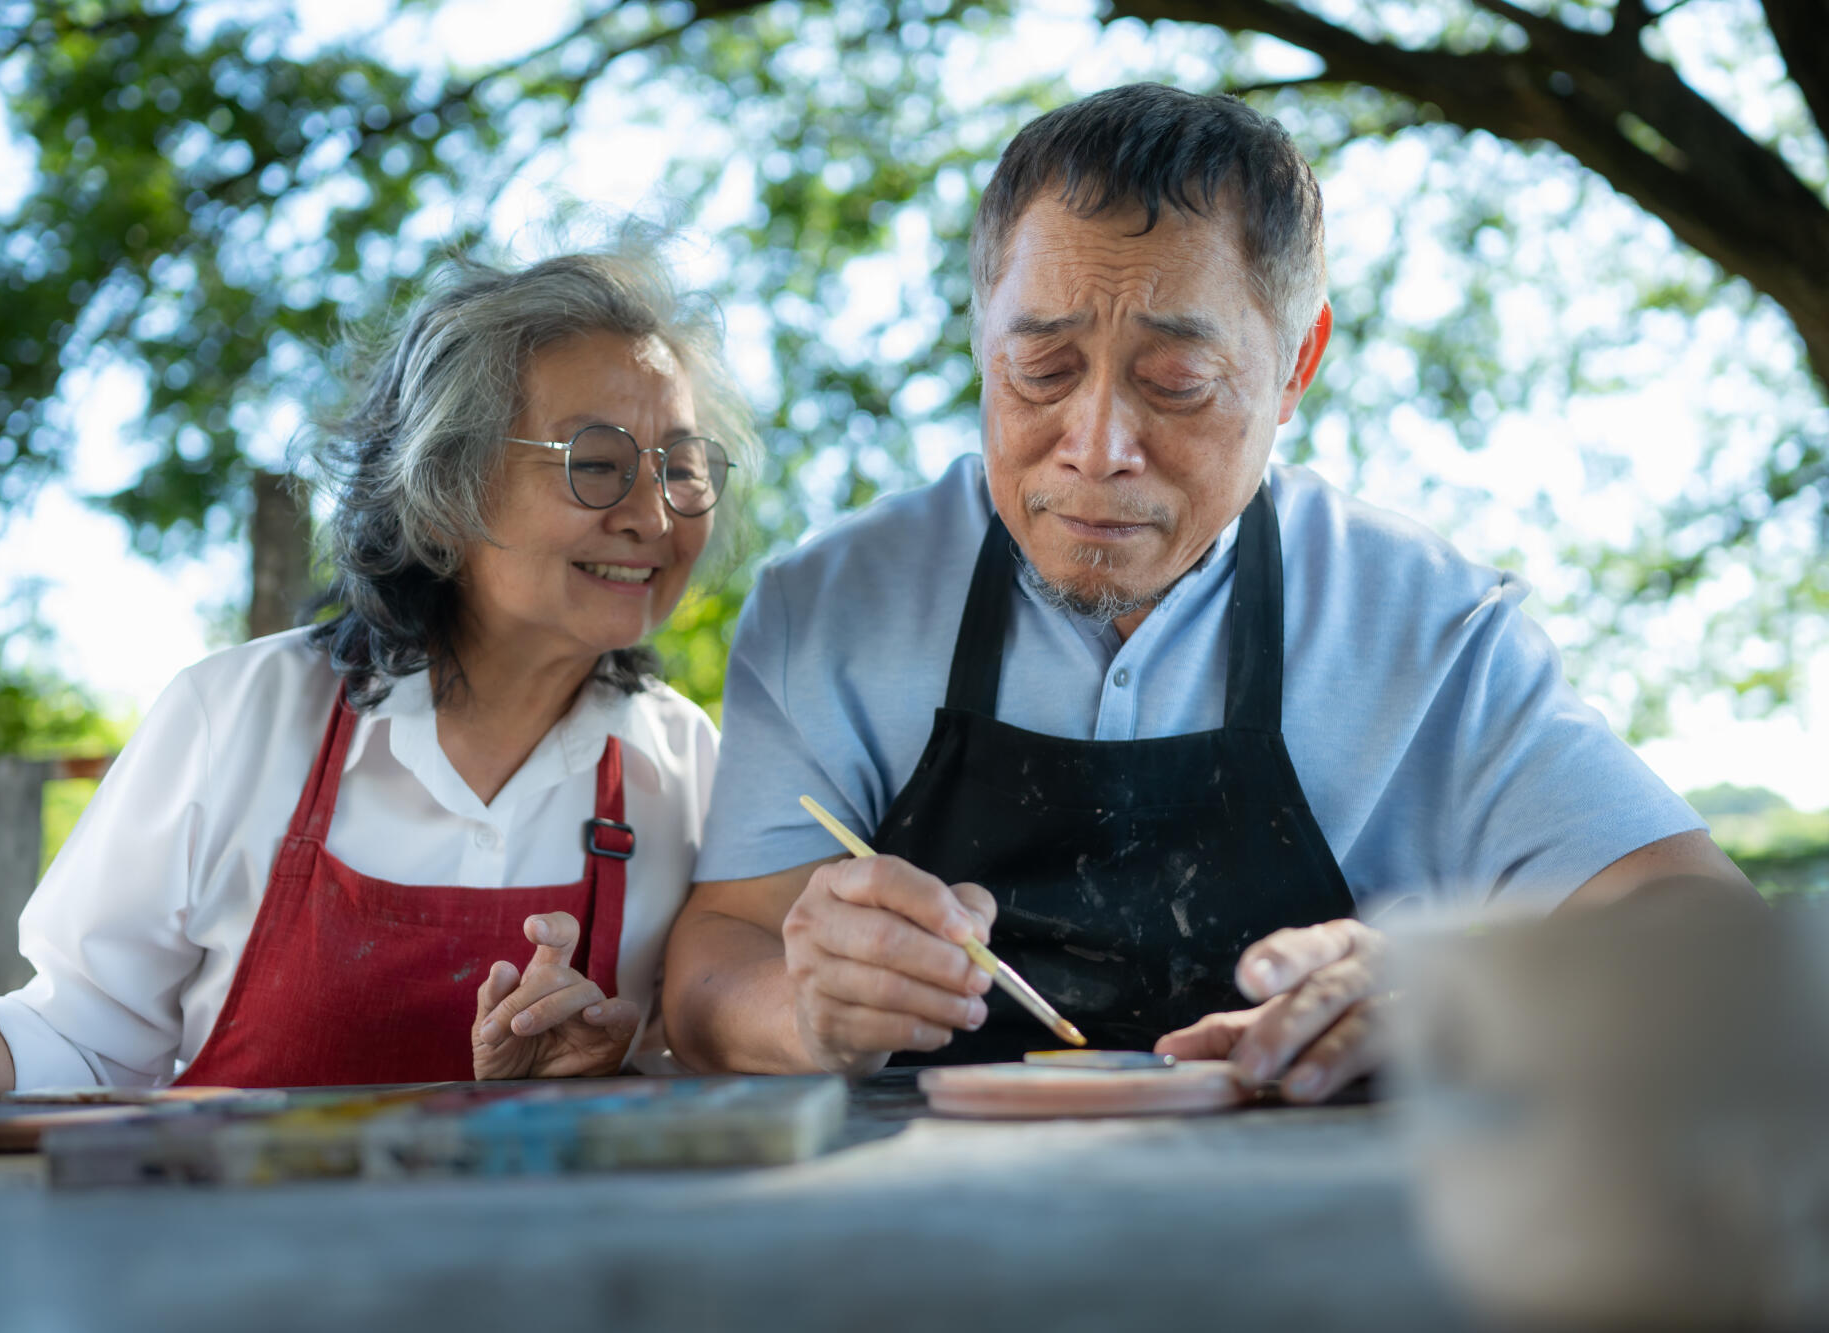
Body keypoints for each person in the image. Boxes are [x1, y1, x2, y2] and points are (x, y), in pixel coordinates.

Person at [661, 84, 1754, 1099]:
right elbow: (716, 963)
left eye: (1175, 383)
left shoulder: (1432, 627)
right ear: (979, 338)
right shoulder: (828, 603)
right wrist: (807, 1013)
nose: (1093, 448)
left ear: (1295, 367)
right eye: (1038, 370)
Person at [0, 234, 757, 1097]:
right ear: (443, 488)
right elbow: (77, 1042)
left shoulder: (685, 765)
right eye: (596, 465)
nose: (653, 513)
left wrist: (598, 1072)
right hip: (236, 1238)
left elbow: (690, 1068)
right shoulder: (238, 717)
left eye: (681, 468)